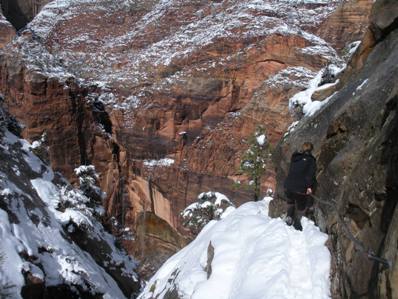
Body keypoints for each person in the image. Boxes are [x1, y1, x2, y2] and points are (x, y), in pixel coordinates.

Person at [283, 142, 317, 231]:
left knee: (291, 201)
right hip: (300, 188)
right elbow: (311, 175)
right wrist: (309, 187)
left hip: (288, 186)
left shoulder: (295, 158)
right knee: (301, 205)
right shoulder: (311, 160)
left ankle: (289, 216)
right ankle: (297, 222)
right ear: (311, 150)